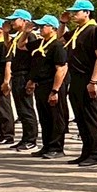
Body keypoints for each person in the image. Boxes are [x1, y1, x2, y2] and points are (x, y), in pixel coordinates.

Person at [64, 0, 97, 167]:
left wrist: (93, 81)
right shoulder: (78, 31)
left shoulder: (94, 31)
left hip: (89, 79)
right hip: (76, 79)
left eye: (77, 12)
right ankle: (86, 151)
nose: (73, 15)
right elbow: (61, 38)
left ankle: (95, 154)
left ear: (87, 13)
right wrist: (63, 23)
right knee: (80, 118)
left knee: (91, 118)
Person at [28, 14, 69, 157]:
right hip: (41, 85)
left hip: (52, 85)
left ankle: (56, 147)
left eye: (43, 26)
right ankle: (47, 145)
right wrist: (32, 80)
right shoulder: (41, 44)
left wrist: (55, 90)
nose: (40, 29)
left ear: (52, 28)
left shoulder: (57, 45)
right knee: (44, 117)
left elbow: (61, 69)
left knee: (56, 117)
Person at [5, 10, 39, 151]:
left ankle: (31, 139)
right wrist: (6, 33)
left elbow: (33, 58)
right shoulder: (19, 36)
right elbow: (9, 48)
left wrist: (32, 79)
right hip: (17, 74)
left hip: (25, 74)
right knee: (21, 109)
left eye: (15, 20)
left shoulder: (30, 36)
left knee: (27, 108)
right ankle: (25, 138)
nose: (12, 22)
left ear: (24, 21)